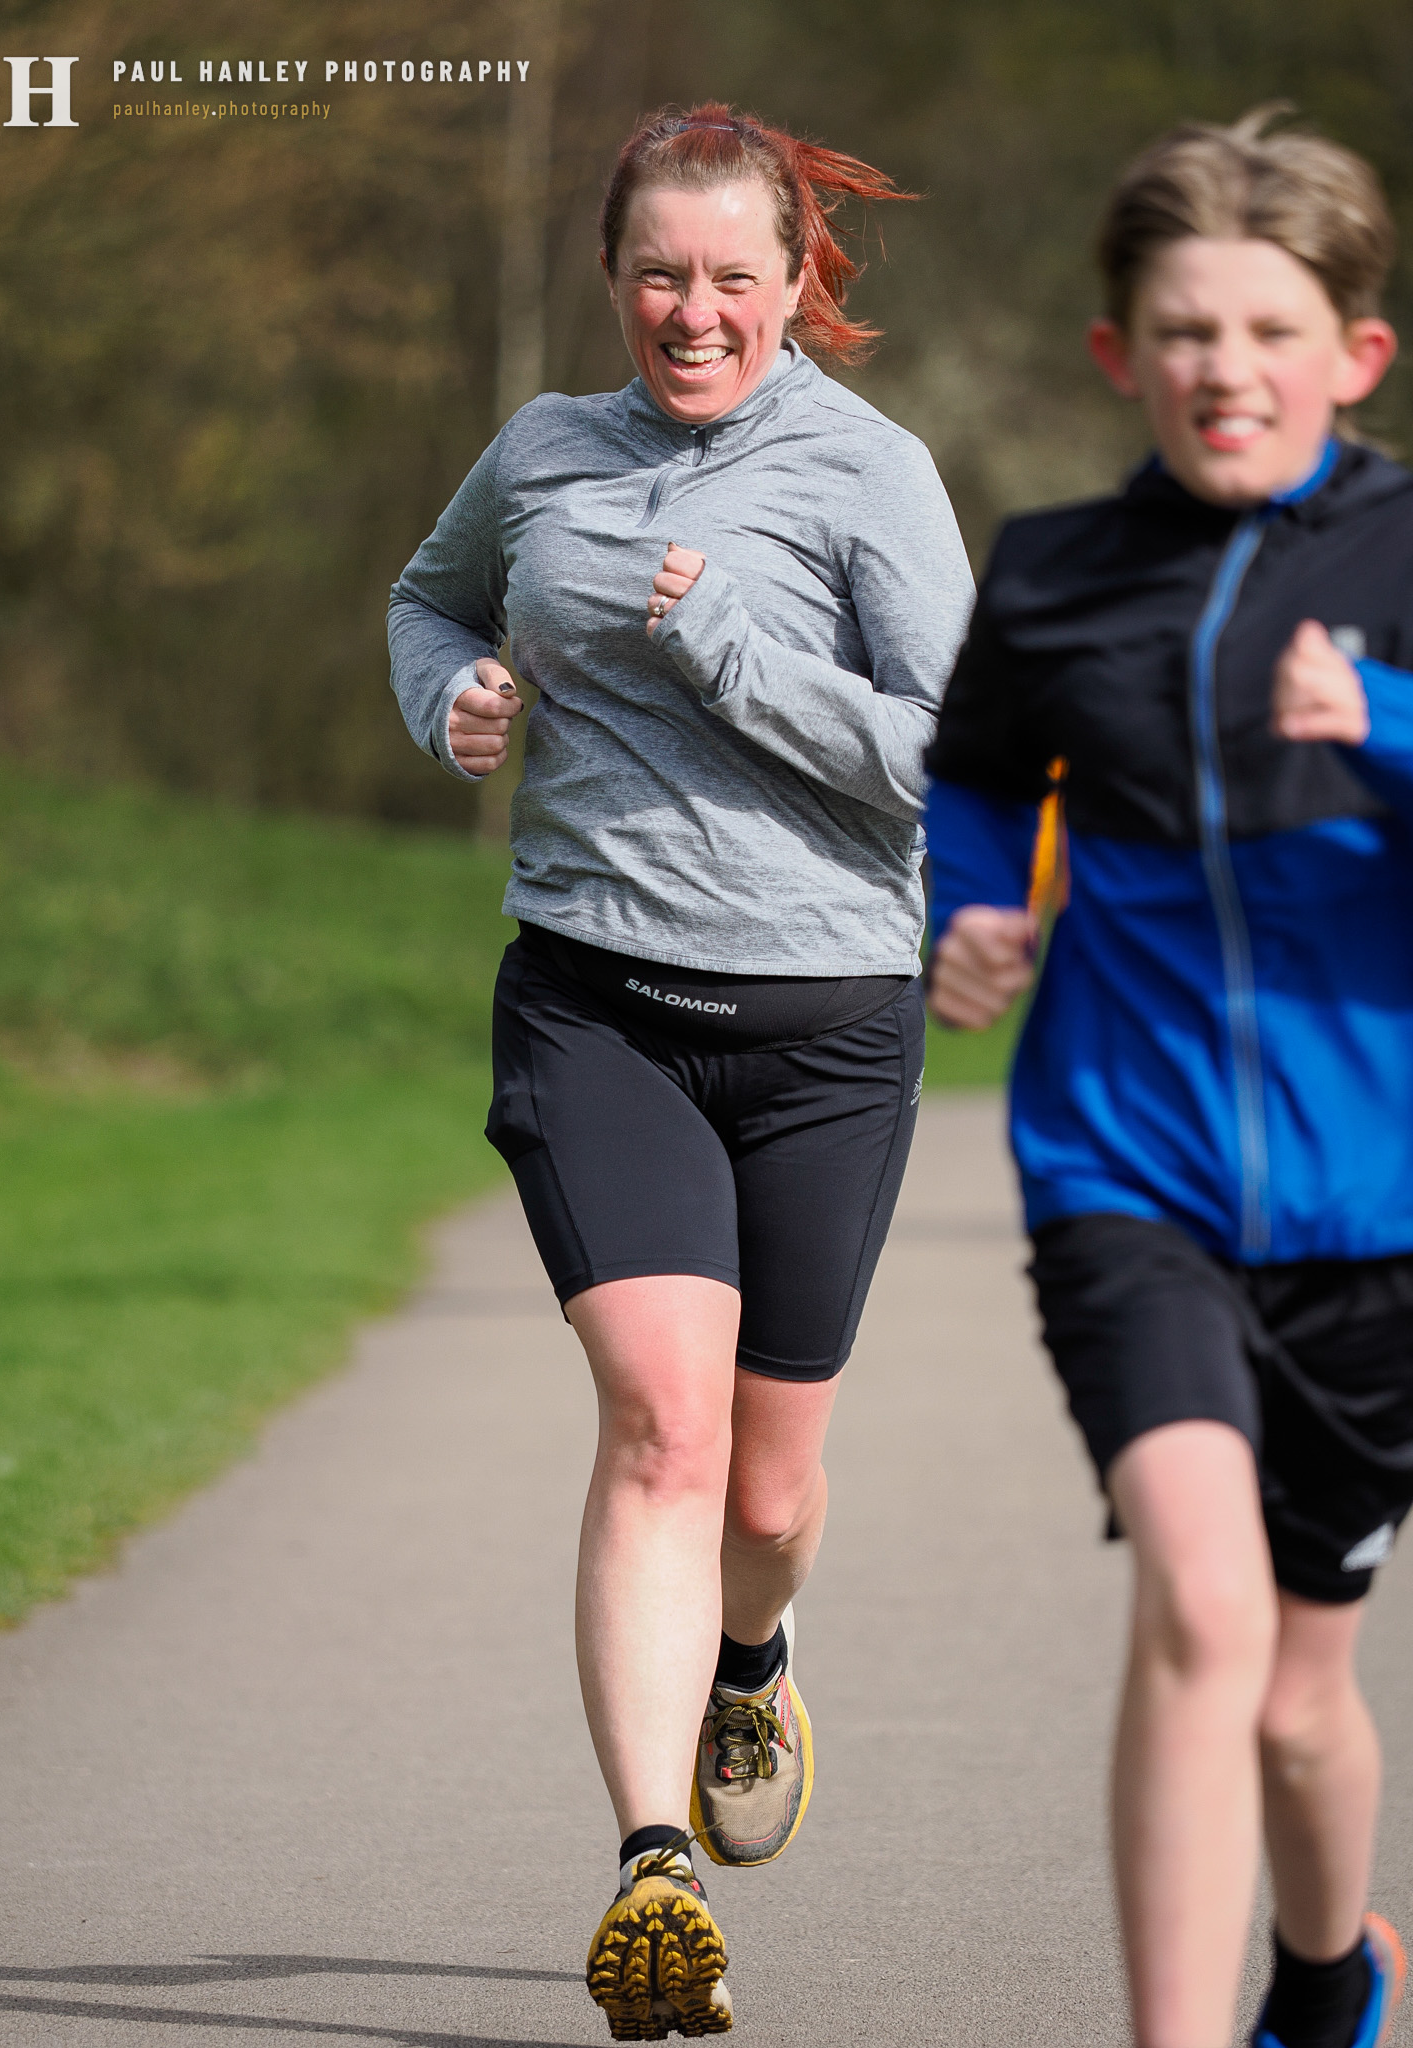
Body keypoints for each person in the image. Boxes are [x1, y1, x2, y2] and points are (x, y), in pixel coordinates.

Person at [387, 102, 972, 2038]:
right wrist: (451, 697)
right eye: (659, 271)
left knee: (770, 1486)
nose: (692, 311)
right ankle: (650, 1871)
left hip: (822, 1027)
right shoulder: (545, 452)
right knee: (662, 1421)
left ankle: (753, 1651)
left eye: (734, 274)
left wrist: (729, 647)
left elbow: (950, 756)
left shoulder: (867, 474)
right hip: (596, 1004)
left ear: (800, 275)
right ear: (613, 275)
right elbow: (429, 595)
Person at [925, 108, 1411, 2048]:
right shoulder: (1051, 573)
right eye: (1186, 330)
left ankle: (1330, 1970)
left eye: (1272, 330)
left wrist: (1377, 720)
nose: (1229, 369)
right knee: (1200, 1606)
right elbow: (972, 782)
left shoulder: (1406, 554)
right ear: (1121, 350)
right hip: (1124, 1165)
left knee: (1302, 1692)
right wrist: (963, 916)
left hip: (1380, 1211)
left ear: (1355, 353)